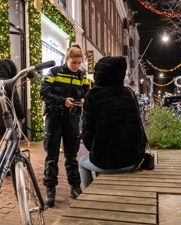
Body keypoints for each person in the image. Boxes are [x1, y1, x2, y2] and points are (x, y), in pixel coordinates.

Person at [80, 56, 146, 189]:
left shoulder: (93, 95)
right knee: (99, 157)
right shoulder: (129, 93)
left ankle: (89, 198)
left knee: (82, 162)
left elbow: (88, 134)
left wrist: (96, 149)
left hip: (108, 162)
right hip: (135, 158)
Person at [40, 43, 89, 207]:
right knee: (52, 156)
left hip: (72, 119)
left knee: (71, 156)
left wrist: (83, 100)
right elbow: (44, 93)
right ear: (66, 59)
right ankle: (50, 190)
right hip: (54, 119)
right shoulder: (54, 72)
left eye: (79, 62)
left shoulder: (81, 75)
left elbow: (87, 92)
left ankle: (75, 187)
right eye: (74, 62)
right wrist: (62, 102)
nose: (77, 66)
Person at [0, 59, 25, 169]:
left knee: (1, 142)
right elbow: (15, 101)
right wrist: (22, 116)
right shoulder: (8, 82)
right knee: (10, 142)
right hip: (4, 119)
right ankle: (7, 166)